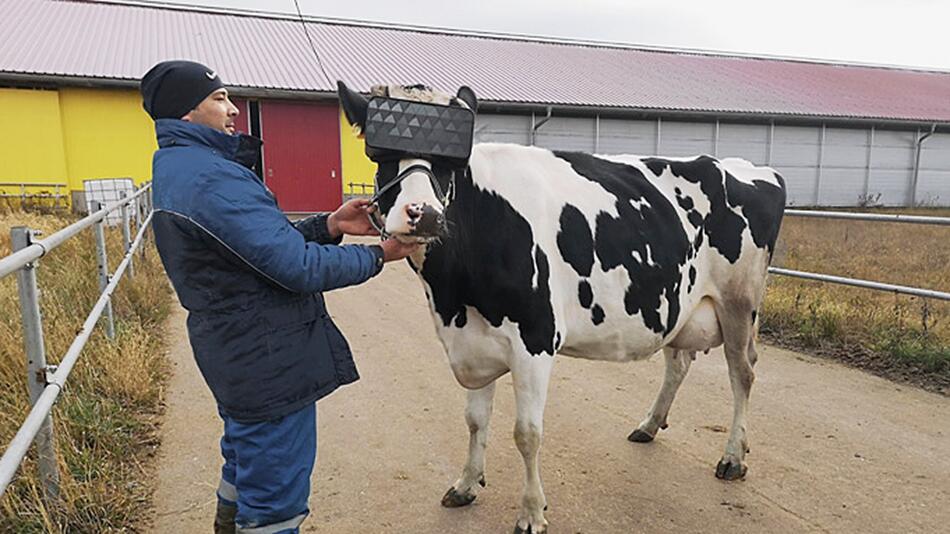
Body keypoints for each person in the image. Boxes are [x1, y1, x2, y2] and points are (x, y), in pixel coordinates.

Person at [140, 60, 417, 534]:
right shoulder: (211, 178)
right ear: (187, 112)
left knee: (243, 463)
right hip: (264, 357)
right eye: (219, 98)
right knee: (275, 502)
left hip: (235, 348)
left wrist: (328, 226)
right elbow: (297, 267)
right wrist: (380, 255)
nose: (232, 110)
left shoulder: (183, 166)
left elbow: (255, 249)